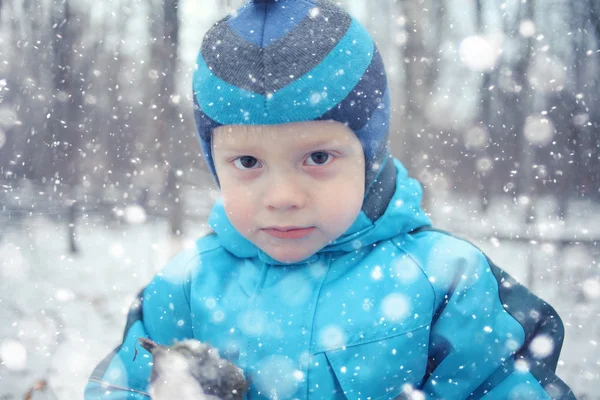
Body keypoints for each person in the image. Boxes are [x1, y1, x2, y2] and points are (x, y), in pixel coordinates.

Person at [85, 0, 575, 398]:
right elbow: (119, 387)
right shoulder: (186, 286)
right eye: (248, 163)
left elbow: (509, 385)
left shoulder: (445, 279)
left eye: (317, 157)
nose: (282, 196)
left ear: (368, 154)